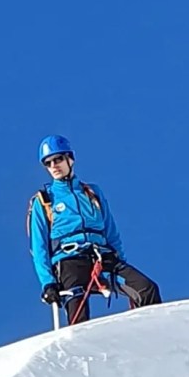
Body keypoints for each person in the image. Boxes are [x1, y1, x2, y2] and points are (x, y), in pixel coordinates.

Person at [29, 135, 161, 325]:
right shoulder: (44, 200)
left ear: (70, 159)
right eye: (48, 163)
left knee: (146, 288)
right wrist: (48, 283)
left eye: (58, 159)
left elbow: (111, 231)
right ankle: (79, 345)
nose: (54, 166)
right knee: (78, 315)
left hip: (102, 256)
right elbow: (39, 246)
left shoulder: (91, 193)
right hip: (69, 261)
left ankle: (152, 333)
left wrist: (119, 260)